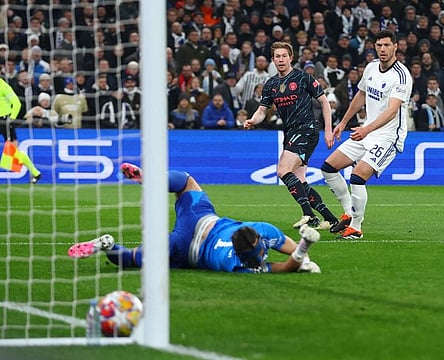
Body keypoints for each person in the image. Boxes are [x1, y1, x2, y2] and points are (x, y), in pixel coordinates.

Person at [68, 164, 321, 274]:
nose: (265, 257)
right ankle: (109, 245)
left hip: (203, 219)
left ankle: (151, 178)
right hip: (186, 248)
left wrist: (302, 253)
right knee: (135, 259)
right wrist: (302, 254)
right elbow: (285, 265)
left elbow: (282, 246)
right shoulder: (237, 264)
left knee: (187, 181)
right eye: (262, 255)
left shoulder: (260, 230)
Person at [320, 30, 413, 240]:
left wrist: (366, 129)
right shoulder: (371, 67)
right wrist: (343, 123)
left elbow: (392, 111)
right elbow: (361, 95)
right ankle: (347, 212)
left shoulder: (401, 75)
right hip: (367, 132)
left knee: (357, 176)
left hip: (388, 137)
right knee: (328, 168)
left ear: (395, 47)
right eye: (379, 45)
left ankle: (356, 227)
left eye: (386, 45)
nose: (382, 49)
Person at [244, 41, 338, 230]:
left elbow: (324, 102)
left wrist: (328, 129)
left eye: (284, 56)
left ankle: (308, 215)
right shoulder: (270, 84)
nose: (280, 59)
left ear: (291, 58)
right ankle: (331, 219)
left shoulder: (304, 78)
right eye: (277, 56)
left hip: (307, 130)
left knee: (282, 170)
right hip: (291, 133)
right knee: (300, 181)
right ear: (273, 60)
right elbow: (262, 111)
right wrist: (253, 120)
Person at [0, 77, 41, 183]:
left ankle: (35, 172)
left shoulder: (3, 86)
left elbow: (17, 103)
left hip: (4, 122)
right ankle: (36, 173)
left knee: (13, 152)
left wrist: (11, 118)